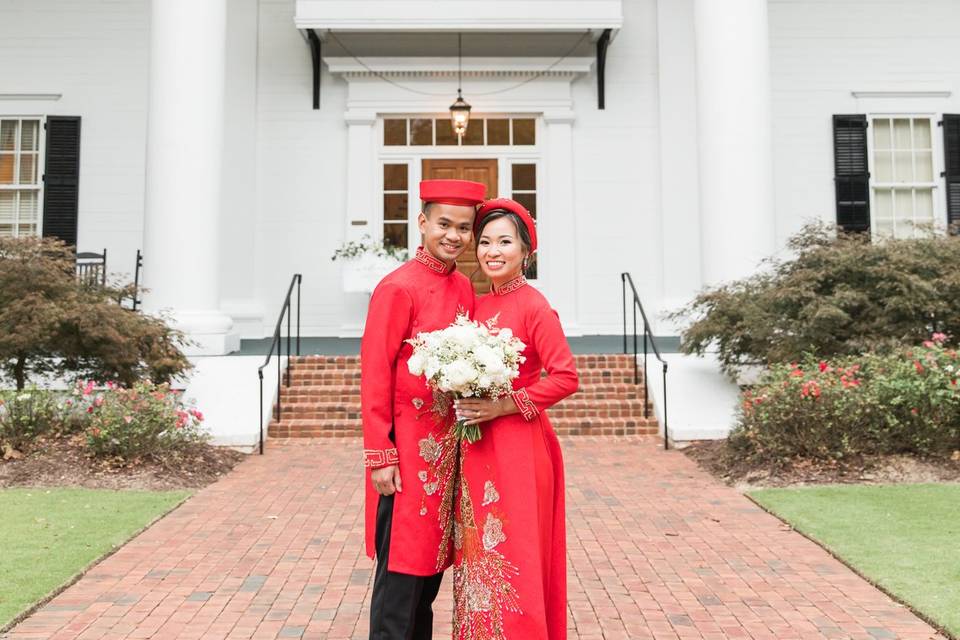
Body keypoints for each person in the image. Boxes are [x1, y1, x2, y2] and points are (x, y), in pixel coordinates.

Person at [362, 178, 487, 640]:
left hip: (447, 454)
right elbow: (375, 375)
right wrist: (381, 456)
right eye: (443, 224)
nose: (453, 235)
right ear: (422, 223)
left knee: (428, 584)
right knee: (399, 583)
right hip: (407, 458)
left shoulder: (463, 288)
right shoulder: (397, 288)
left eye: (463, 227)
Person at [453, 198, 578, 639]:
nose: (493, 251)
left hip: (520, 447)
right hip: (478, 445)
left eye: (504, 241)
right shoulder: (474, 305)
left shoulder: (534, 306)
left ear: (527, 250)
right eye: (485, 241)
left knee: (517, 553)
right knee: (479, 551)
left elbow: (565, 377)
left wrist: (505, 405)